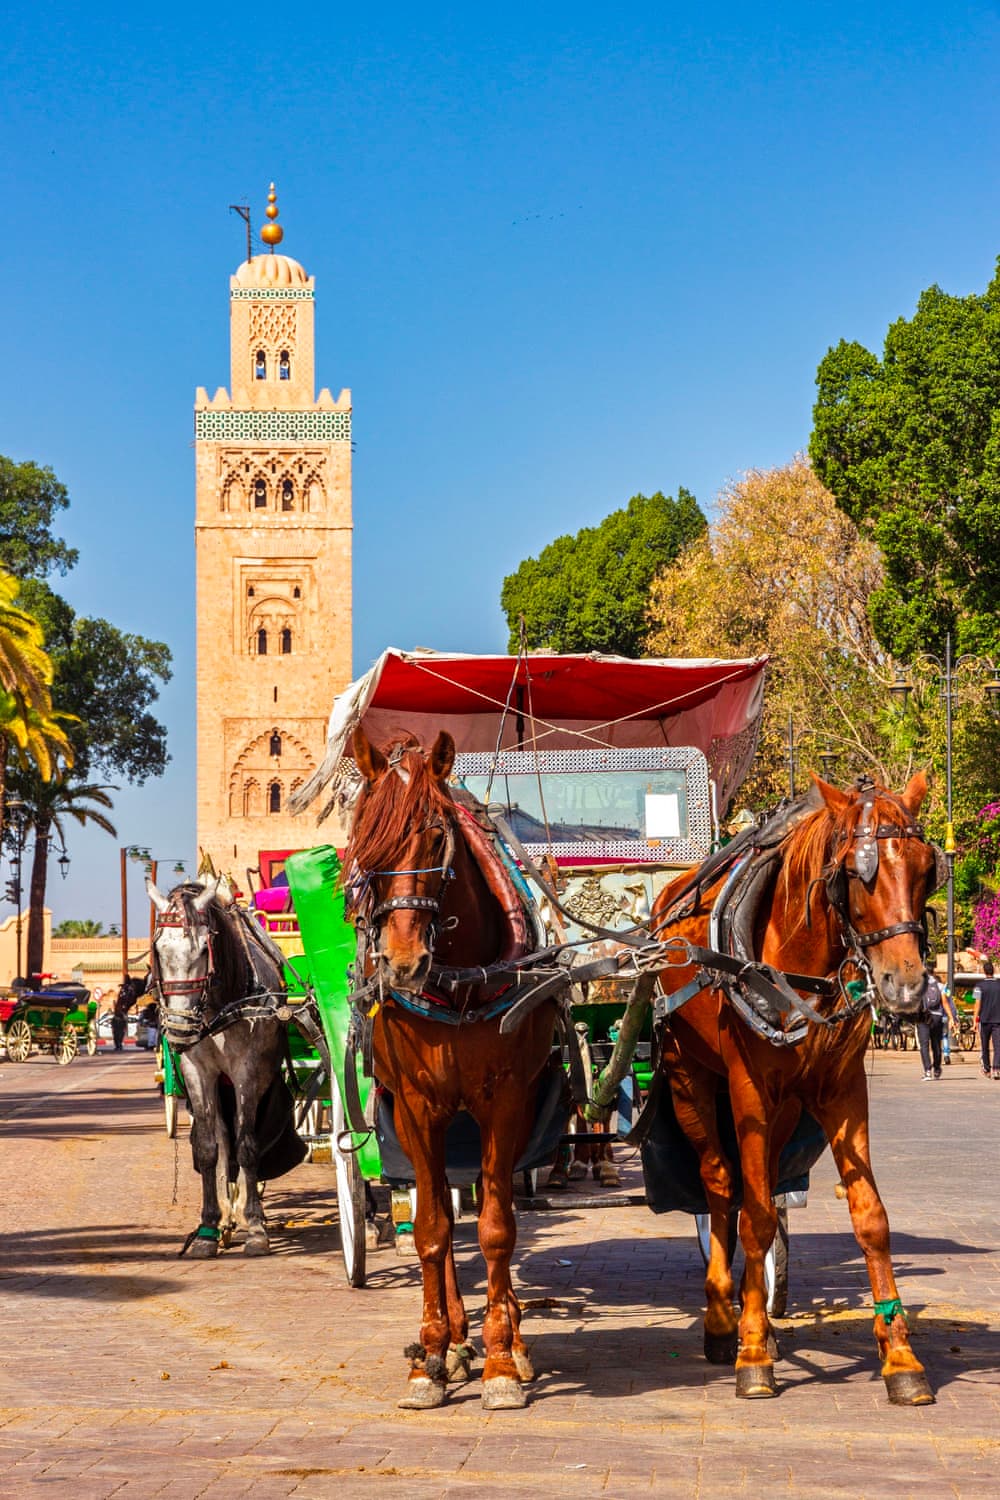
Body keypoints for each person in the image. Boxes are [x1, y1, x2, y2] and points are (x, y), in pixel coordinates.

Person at [916, 969, 953, 1080]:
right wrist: (951, 1017)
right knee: (936, 1044)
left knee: (924, 1045)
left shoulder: (918, 986)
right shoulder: (940, 985)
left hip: (923, 1017)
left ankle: (927, 1071)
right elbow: (945, 1002)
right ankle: (937, 1068)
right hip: (937, 1017)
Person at [973, 958, 1000, 1078]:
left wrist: (975, 1020)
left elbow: (977, 1003)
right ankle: (996, 1068)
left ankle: (987, 1069)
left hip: (984, 1020)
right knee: (998, 1046)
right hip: (998, 1020)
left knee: (985, 1046)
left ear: (984, 971)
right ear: (993, 971)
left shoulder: (979, 986)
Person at [111, 975, 138, 1052]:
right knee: (118, 1032)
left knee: (118, 1033)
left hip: (119, 1016)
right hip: (119, 1016)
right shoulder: (126, 990)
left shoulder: (126, 990)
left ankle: (118, 1045)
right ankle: (118, 1045)